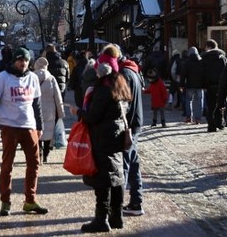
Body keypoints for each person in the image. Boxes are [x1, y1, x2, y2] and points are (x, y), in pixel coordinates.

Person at [0, 46, 48, 217]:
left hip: (29, 125)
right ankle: (5, 201)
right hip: (9, 125)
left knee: (34, 163)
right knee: (7, 164)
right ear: (14, 61)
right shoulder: (2, 77)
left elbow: (37, 104)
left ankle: (30, 200)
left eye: (25, 60)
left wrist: (39, 126)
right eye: (20, 60)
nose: (23, 63)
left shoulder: (33, 78)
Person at [71, 51, 132, 232]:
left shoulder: (103, 89)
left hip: (102, 137)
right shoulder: (120, 85)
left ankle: (101, 219)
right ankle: (116, 217)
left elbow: (93, 116)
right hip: (117, 135)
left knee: (103, 179)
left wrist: (78, 112)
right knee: (116, 176)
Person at [119, 51, 145, 217]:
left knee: (124, 165)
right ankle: (136, 201)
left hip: (128, 125)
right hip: (136, 122)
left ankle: (117, 206)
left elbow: (123, 104)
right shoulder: (133, 70)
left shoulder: (124, 74)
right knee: (133, 163)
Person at [33, 56, 64, 164]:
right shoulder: (51, 78)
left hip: (35, 109)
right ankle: (46, 154)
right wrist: (60, 112)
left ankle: (39, 153)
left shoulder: (32, 77)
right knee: (48, 133)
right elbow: (58, 97)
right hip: (50, 110)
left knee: (37, 132)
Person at [201, 39, 227, 132]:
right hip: (221, 85)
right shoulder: (222, 58)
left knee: (210, 106)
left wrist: (203, 85)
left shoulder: (204, 58)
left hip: (209, 86)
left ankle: (211, 126)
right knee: (220, 104)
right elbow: (226, 72)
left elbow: (202, 73)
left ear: (208, 47)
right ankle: (220, 123)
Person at [179, 46, 204, 123]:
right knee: (199, 101)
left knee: (188, 101)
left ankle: (188, 117)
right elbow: (205, 74)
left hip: (190, 85)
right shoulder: (201, 61)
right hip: (200, 85)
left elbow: (183, 75)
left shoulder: (187, 62)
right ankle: (198, 118)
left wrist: (181, 85)